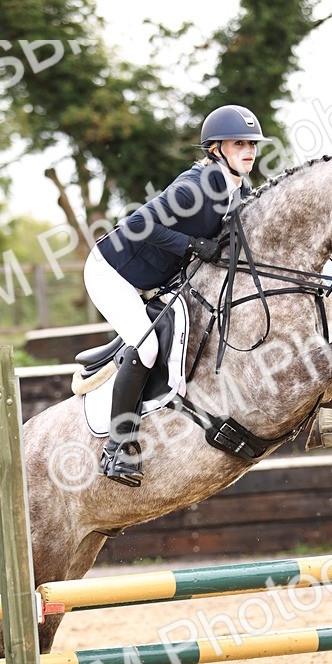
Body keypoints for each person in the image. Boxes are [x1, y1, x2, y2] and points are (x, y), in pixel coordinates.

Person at [84, 104, 265, 487]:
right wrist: (194, 245)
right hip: (112, 272)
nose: (249, 150)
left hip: (152, 277)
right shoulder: (194, 188)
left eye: (252, 143)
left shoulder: (239, 188)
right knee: (147, 348)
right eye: (239, 143)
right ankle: (117, 448)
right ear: (216, 149)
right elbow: (137, 223)